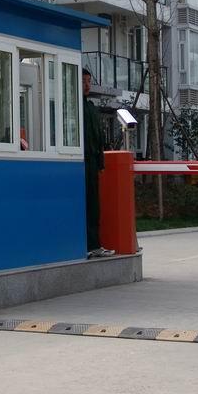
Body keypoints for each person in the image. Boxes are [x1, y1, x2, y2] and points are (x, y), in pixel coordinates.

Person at [83, 68, 114, 258]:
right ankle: (87, 244)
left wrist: (101, 163)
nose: (87, 85)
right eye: (83, 81)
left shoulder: (91, 108)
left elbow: (99, 138)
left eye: (89, 81)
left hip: (93, 163)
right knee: (85, 204)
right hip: (81, 163)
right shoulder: (72, 106)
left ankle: (94, 244)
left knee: (94, 205)